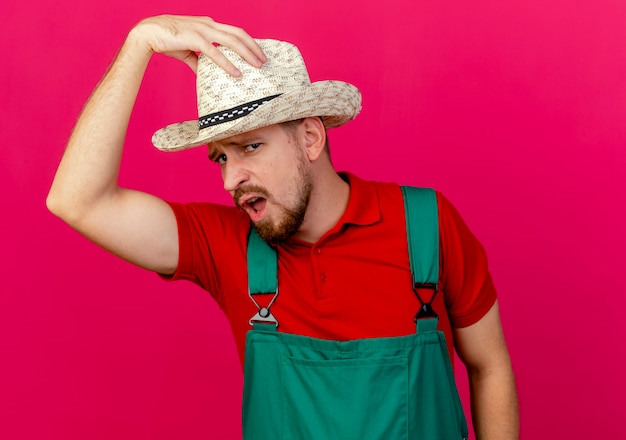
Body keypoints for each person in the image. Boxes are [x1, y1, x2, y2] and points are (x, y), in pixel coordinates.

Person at [47, 14, 519, 439]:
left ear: (311, 137)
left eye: (250, 147)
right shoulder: (222, 242)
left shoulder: (426, 224)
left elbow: (489, 366)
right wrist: (138, 44)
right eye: (220, 157)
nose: (232, 179)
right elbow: (77, 200)